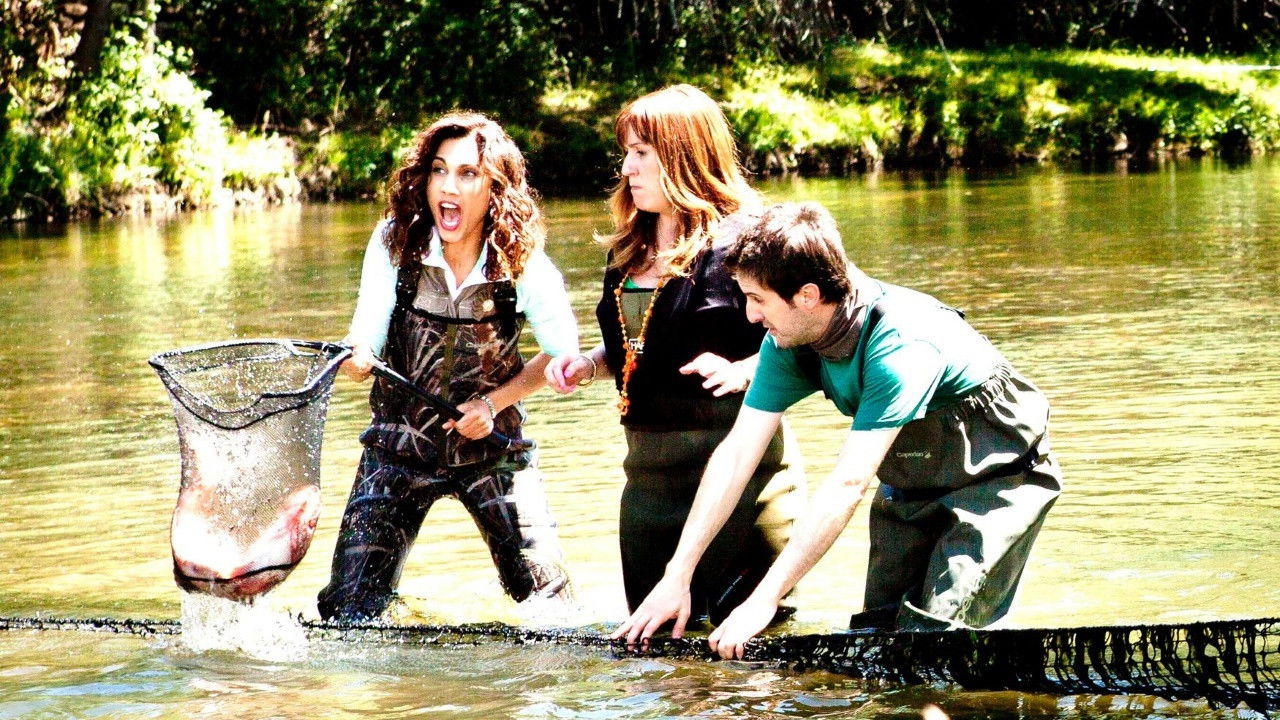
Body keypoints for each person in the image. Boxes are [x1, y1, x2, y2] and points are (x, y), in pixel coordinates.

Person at [613, 202, 1063, 657]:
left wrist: (764, 599)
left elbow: (848, 484)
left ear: (807, 295)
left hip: (997, 478)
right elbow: (736, 456)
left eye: (758, 299)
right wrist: (677, 574)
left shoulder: (901, 345)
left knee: (937, 637)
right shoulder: (789, 341)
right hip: (911, 479)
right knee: (880, 636)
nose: (750, 316)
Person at [545, 84, 804, 626]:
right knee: (655, 658)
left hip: (743, 478)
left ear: (685, 154)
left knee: (749, 657)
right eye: (627, 153)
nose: (627, 168)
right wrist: (590, 364)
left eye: (642, 153)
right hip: (647, 486)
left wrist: (745, 370)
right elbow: (640, 347)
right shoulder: (627, 249)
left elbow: (808, 337)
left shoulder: (751, 240)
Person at [318, 112, 577, 621]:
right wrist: (357, 356)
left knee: (553, 610)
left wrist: (493, 403)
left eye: (467, 173)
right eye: (439, 170)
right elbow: (364, 336)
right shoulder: (394, 242)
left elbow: (562, 351)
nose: (448, 186)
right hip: (397, 449)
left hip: (492, 451)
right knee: (347, 612)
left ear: (494, 188)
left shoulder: (521, 259)